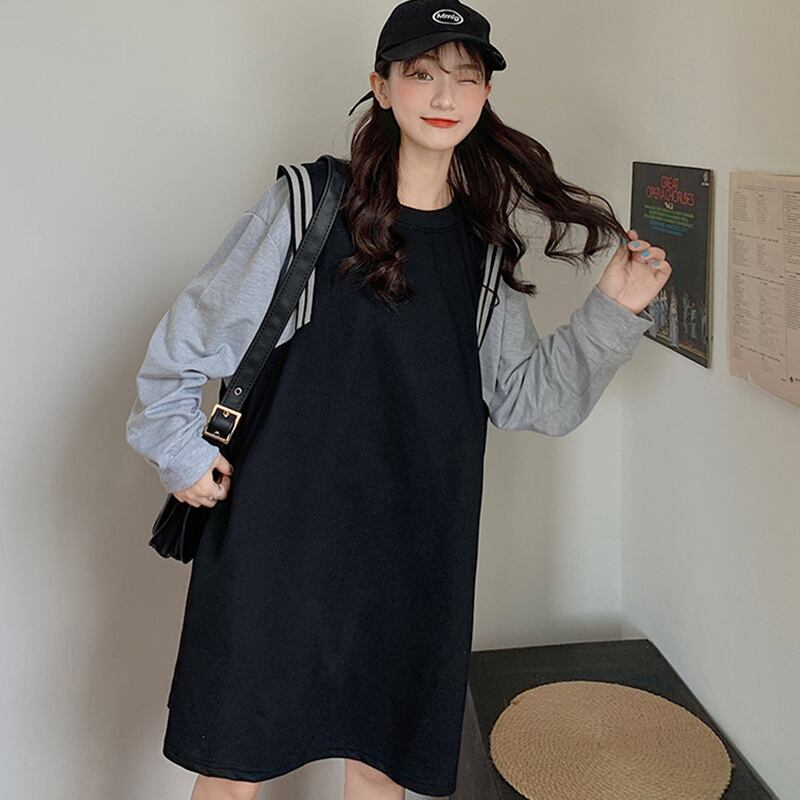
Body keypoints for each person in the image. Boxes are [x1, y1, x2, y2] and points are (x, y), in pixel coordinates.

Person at [125, 1, 671, 798]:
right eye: (421, 73)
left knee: (381, 768)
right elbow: (186, 341)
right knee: (235, 765)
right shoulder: (311, 206)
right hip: (280, 535)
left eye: (466, 77)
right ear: (380, 86)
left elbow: (531, 400)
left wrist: (613, 309)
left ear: (486, 95)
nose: (445, 95)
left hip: (414, 544)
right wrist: (179, 450)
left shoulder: (481, 245)